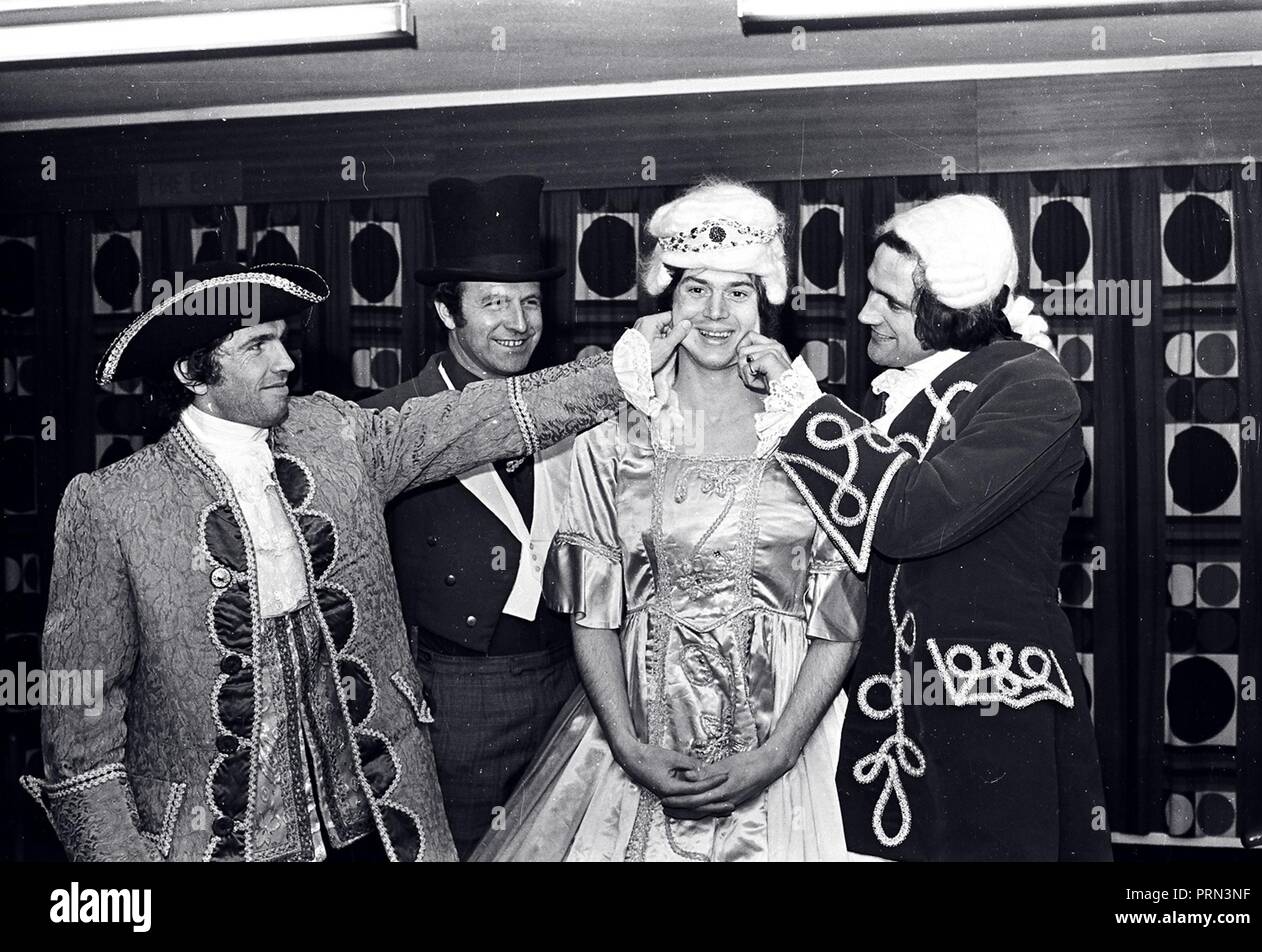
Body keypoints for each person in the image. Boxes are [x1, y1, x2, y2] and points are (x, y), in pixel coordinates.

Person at [20, 259, 687, 862]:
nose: (286, 361)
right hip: (212, 839)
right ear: (193, 374)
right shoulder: (111, 503)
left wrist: (621, 369)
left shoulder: (334, 430)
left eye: (284, 338)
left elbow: (470, 420)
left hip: (369, 821)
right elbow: (77, 714)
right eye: (257, 346)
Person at [472, 179, 865, 862]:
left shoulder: (814, 430)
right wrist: (626, 745)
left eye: (738, 291)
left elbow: (841, 623)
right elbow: (592, 613)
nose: (716, 313)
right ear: (667, 298)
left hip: (786, 743)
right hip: (639, 735)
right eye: (695, 290)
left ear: (765, 300)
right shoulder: (611, 433)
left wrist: (778, 754)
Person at [752, 193, 1112, 861]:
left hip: (984, 721)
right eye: (870, 292)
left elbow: (910, 517)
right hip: (886, 717)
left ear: (955, 311)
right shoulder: (897, 392)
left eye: (890, 302)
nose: (865, 314)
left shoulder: (1034, 387)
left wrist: (801, 409)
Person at [361, 175, 584, 858]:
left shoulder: (570, 406)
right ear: (446, 311)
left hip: (570, 675)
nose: (518, 323)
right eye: (493, 303)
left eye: (530, 301)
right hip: (457, 694)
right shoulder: (389, 420)